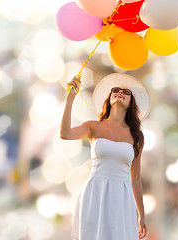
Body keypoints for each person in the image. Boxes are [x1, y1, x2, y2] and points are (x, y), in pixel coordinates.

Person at [60, 73, 151, 240]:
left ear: (131, 103)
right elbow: (65, 134)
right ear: (109, 98)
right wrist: (70, 98)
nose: (120, 92)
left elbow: (136, 179)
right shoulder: (93, 127)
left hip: (122, 197)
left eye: (126, 92)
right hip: (95, 192)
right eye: (115, 90)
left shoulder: (136, 136)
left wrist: (142, 215)